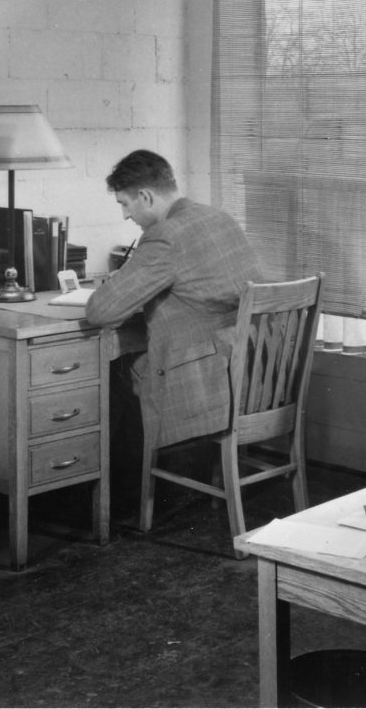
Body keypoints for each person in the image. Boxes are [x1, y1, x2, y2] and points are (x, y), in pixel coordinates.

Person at [83, 149, 264, 518]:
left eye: (125, 204)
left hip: (211, 384)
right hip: (253, 375)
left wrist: (120, 282)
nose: (125, 216)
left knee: (115, 371)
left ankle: (116, 500)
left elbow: (101, 311)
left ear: (146, 196)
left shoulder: (164, 237)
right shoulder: (219, 218)